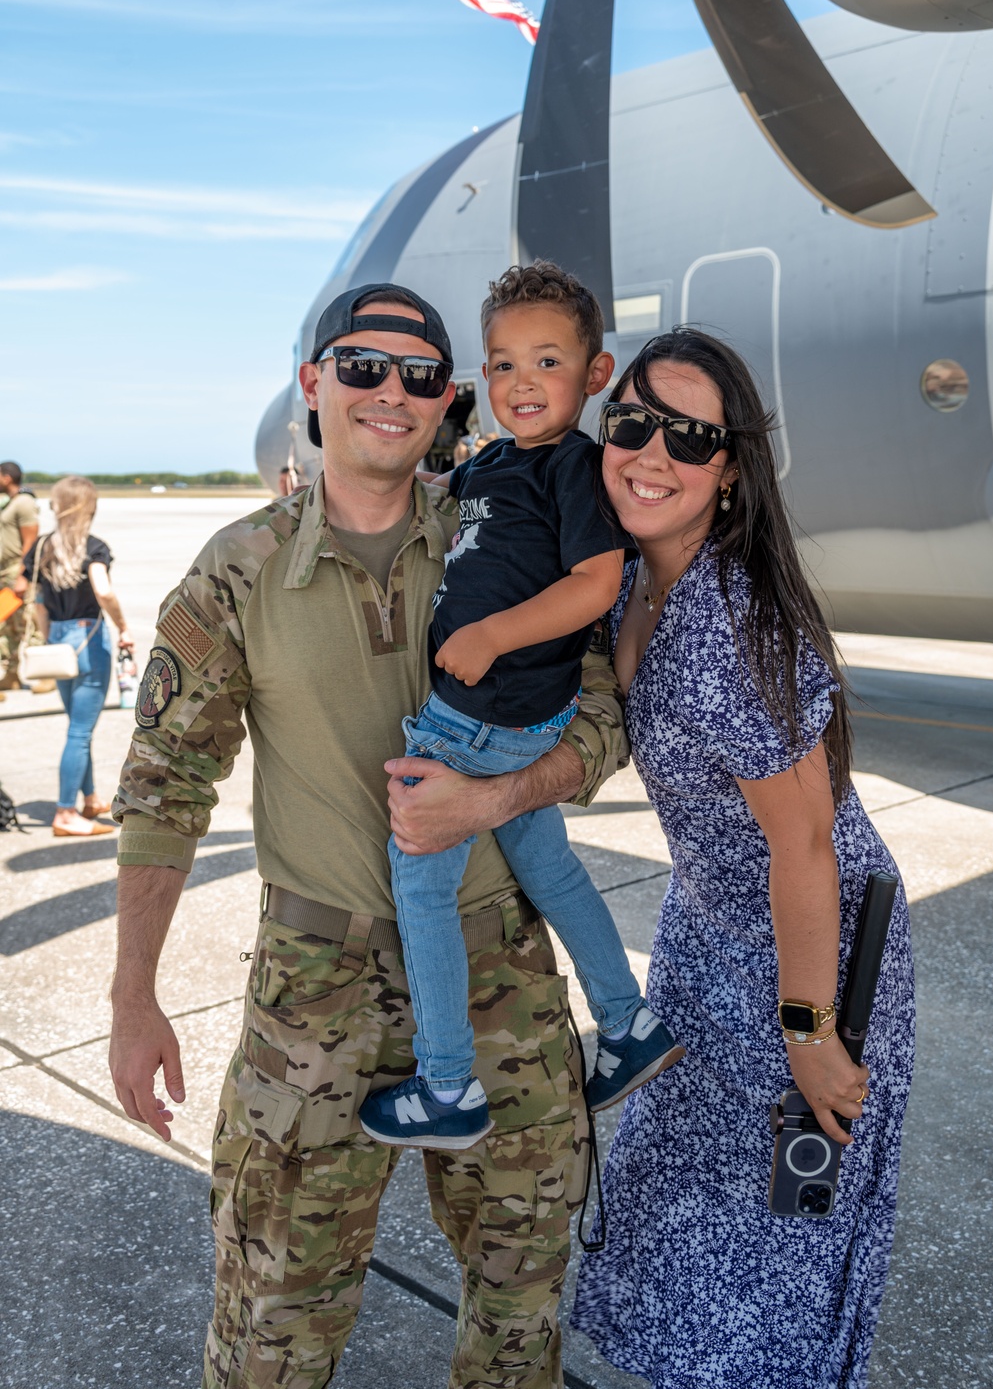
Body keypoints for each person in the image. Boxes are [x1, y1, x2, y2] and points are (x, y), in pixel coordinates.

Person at [108, 282, 630, 1389]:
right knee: (270, 1333)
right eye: (362, 367)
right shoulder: (240, 569)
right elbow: (165, 785)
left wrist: (492, 801)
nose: (392, 393)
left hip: (501, 980)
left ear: (450, 402)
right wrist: (132, 997)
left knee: (520, 1317)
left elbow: (601, 718)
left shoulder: (511, 528)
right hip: (313, 993)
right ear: (312, 383)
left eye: (421, 375)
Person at [570, 329, 916, 1388]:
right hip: (705, 932)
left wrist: (810, 1035)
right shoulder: (627, 581)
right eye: (631, 423)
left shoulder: (735, 618)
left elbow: (805, 847)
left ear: (728, 472)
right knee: (672, 1217)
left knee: (765, 1252)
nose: (650, 452)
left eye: (689, 437)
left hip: (806, 961)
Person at [360, 263, 681, 1151]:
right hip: (506, 718)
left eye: (547, 361)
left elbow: (595, 580)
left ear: (594, 373)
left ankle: (448, 1083)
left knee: (420, 884)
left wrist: (493, 635)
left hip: (481, 715)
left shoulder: (574, 467)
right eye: (501, 365)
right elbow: (450, 515)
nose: (522, 382)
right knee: (555, 871)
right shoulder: (494, 463)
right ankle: (627, 1023)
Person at [24, 476, 134, 837]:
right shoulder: (93, 546)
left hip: (57, 638)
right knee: (81, 731)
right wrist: (123, 627)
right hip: (88, 639)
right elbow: (103, 590)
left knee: (76, 726)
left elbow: (38, 603)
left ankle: (89, 798)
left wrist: (48, 636)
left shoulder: (41, 549)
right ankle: (66, 812)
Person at [0, 460, 39, 691]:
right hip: (5, 573)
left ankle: (47, 674)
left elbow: (31, 542)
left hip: (17, 570)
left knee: (30, 623)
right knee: (9, 626)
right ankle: (12, 674)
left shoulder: (24, 503)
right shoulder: (10, 503)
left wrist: (23, 575)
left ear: (7, 477)